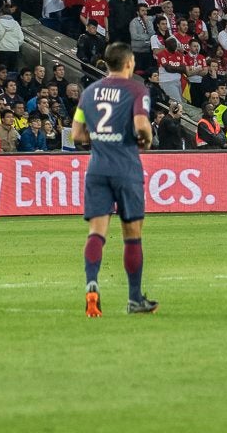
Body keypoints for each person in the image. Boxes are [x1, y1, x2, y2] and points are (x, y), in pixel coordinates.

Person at [71, 42, 158, 318]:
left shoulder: (88, 93)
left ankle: (92, 285)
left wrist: (97, 138)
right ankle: (134, 299)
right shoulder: (136, 90)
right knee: (132, 235)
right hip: (126, 167)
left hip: (97, 167)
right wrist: (146, 140)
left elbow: (77, 135)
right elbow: (142, 126)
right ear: (129, 63)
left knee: (97, 232)